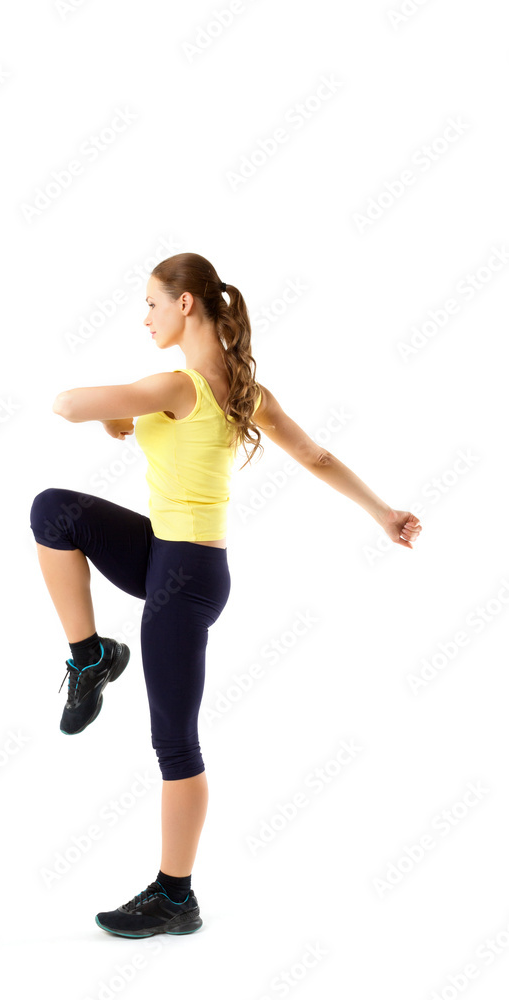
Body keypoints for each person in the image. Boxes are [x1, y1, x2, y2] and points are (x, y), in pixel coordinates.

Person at [29, 252, 422, 939]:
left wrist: (117, 406)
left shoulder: (176, 384)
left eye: (152, 302)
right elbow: (317, 457)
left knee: (173, 743)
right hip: (165, 556)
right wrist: (383, 513)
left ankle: (175, 897)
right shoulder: (242, 392)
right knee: (53, 511)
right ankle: (89, 656)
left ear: (186, 306)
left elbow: (64, 404)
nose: (144, 315)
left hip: (181, 580)